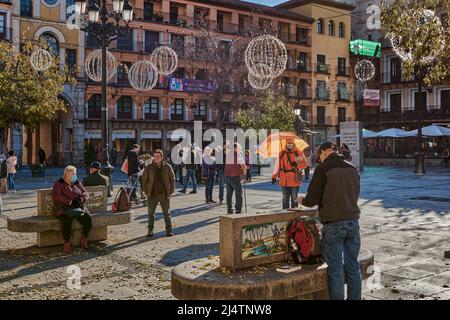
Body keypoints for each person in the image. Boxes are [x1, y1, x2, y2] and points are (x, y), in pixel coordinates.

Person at [297, 142, 361, 300]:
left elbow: (311, 199)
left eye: (319, 155)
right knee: (353, 265)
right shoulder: (352, 169)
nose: (319, 158)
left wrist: (301, 200)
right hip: (353, 222)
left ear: (325, 152)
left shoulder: (323, 169)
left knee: (335, 269)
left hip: (333, 224)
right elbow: (355, 194)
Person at [52, 166, 92, 253]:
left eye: (75, 173)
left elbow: (85, 192)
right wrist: (69, 201)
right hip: (63, 208)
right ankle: (66, 242)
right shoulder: (59, 183)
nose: (75, 175)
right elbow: (56, 196)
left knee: (88, 218)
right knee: (66, 221)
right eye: (72, 173)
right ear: (66, 174)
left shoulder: (76, 182)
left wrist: (81, 199)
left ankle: (84, 238)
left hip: (77, 208)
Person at [141, 149, 175, 237]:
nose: (156, 158)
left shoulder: (167, 167)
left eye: (158, 156)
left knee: (166, 213)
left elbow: (172, 179)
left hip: (164, 194)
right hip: (152, 194)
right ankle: (150, 230)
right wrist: (145, 191)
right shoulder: (149, 167)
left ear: (162, 157)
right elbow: (143, 180)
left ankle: (169, 230)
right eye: (155, 156)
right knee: (150, 213)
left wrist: (171, 191)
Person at [272, 139, 307, 209]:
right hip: (284, 178)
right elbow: (277, 166)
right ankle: (284, 214)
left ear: (294, 143)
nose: (290, 144)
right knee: (285, 197)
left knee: (294, 197)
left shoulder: (298, 153)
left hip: (294, 178)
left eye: (291, 143)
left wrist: (297, 165)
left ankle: (294, 216)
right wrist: (274, 176)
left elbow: (304, 164)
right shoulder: (281, 153)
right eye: (288, 143)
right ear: (286, 143)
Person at [225, 143, 246, 214]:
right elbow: (243, 166)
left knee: (229, 193)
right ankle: (238, 209)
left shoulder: (228, 155)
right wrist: (244, 174)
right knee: (239, 193)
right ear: (235, 148)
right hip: (235, 176)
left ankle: (229, 209)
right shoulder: (237, 155)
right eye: (238, 148)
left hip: (228, 176)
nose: (239, 149)